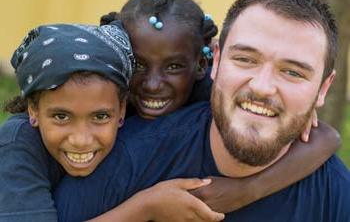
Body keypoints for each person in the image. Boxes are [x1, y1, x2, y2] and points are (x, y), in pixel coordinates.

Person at [54, 0, 350, 222]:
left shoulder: (335, 195)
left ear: (323, 89)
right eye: (245, 59)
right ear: (216, 60)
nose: (262, 87)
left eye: (292, 72)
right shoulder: (123, 160)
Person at [0, 22, 225, 222]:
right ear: (33, 110)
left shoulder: (147, 113)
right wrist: (146, 208)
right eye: (61, 116)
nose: (81, 140)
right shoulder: (17, 145)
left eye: (100, 117)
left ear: (122, 111)